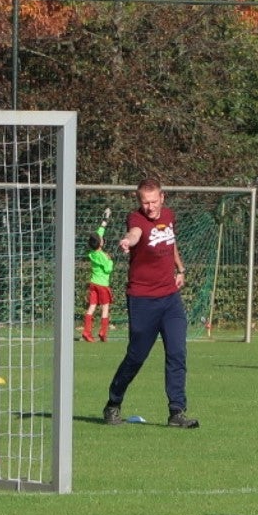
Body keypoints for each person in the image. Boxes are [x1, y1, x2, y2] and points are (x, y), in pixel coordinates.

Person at [101, 180, 196, 428]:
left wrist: (180, 269)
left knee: (177, 353)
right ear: (139, 201)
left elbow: (170, 243)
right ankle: (113, 402)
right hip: (142, 299)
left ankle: (177, 412)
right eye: (145, 202)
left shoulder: (169, 216)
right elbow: (135, 234)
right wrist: (127, 241)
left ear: (162, 198)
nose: (150, 207)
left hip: (170, 299)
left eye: (154, 201)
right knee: (136, 356)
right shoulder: (136, 219)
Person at [82, 210, 113, 343]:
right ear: (100, 243)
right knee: (105, 307)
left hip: (93, 284)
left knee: (92, 306)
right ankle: (103, 333)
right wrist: (110, 260)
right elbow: (108, 269)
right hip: (103, 285)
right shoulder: (103, 256)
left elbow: (99, 232)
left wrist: (105, 219)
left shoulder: (92, 253)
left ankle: (86, 332)